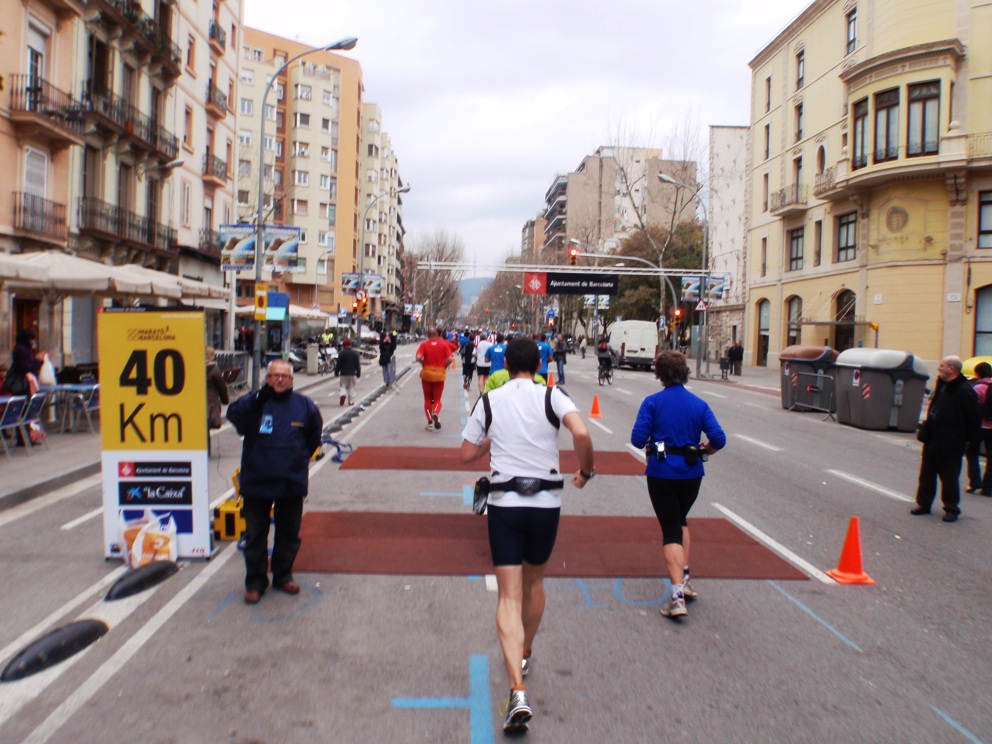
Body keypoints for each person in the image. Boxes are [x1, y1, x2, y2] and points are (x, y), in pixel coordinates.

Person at [460, 337, 594, 733]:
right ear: (539, 365)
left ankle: (516, 690)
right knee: (535, 583)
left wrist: (493, 442)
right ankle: (526, 652)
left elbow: (465, 454)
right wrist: (585, 472)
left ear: (505, 363)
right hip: (546, 504)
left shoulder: (490, 400)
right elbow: (582, 435)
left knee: (509, 595)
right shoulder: (553, 396)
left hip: (505, 504)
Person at [630, 350, 726, 619]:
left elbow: (637, 439)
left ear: (659, 373)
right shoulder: (699, 404)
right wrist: (703, 452)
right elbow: (719, 439)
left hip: (661, 472)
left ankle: (677, 597)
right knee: (681, 520)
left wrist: (656, 439)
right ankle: (685, 579)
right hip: (692, 474)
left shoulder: (652, 403)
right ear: (684, 371)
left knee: (670, 530)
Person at [226, 360, 323, 604]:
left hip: (290, 483)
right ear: (266, 378)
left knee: (289, 534)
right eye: (273, 376)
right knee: (256, 535)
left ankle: (283, 575)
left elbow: (313, 438)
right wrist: (258, 397)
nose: (279, 380)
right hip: (257, 483)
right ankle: (256, 582)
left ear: (292, 380)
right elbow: (234, 416)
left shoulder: (304, 406)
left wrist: (297, 460)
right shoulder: (255, 402)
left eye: (284, 376)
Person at [912, 355, 980, 522]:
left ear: (952, 368)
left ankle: (951, 508)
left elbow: (973, 419)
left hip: (951, 440)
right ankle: (924, 503)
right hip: (933, 437)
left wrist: (967, 439)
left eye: (942, 365)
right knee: (927, 473)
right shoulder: (942, 385)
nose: (939, 368)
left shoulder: (964, 390)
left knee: (949, 477)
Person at [416, 328, 453, 431]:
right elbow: (450, 358)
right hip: (439, 374)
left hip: (427, 373)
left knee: (428, 399)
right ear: (437, 335)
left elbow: (418, 357)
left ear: (427, 335)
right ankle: (435, 412)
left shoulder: (424, 344)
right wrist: (445, 365)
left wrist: (422, 363)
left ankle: (430, 423)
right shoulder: (443, 345)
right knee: (437, 399)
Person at [965, 361, 992, 496]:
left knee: (971, 452)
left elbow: (972, 408)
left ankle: (975, 482)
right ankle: (988, 487)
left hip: (979, 426)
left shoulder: (978, 387)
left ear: (978, 373)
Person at [3, 329, 43, 396]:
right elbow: (26, 366)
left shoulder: (24, 349)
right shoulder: (21, 350)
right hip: (21, 383)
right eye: (31, 339)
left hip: (23, 383)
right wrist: (38, 361)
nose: (32, 342)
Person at [205, 346, 230, 456]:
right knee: (206, 427)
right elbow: (222, 387)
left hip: (197, 402)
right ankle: (206, 450)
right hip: (210, 402)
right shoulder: (214, 370)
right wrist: (225, 400)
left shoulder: (194, 368)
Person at [336, 337, 361, 406]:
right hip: (352, 373)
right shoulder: (355, 354)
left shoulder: (341, 354)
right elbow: (357, 365)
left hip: (343, 373)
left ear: (343, 346)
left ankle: (343, 395)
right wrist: (358, 373)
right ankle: (351, 401)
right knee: (351, 387)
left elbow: (338, 364)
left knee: (343, 386)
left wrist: (336, 372)